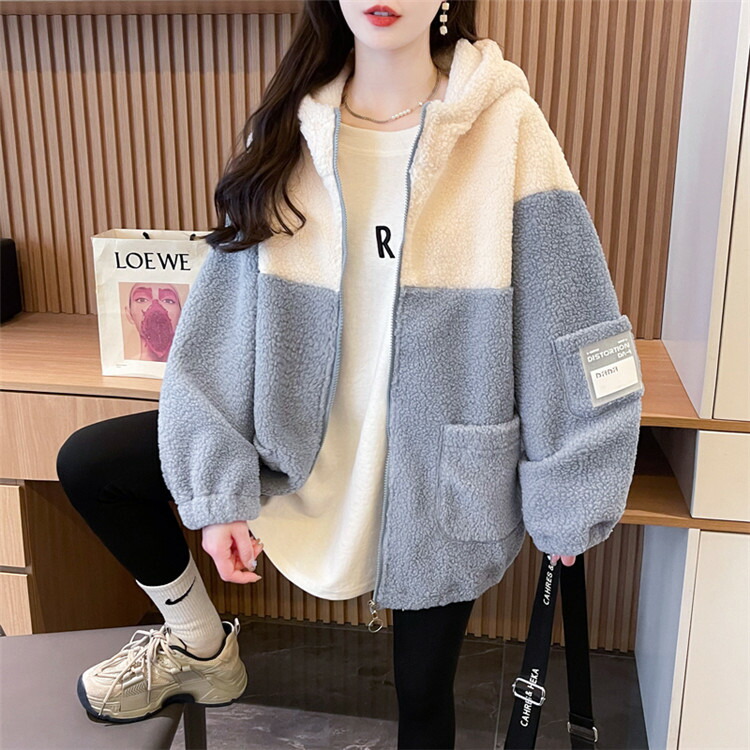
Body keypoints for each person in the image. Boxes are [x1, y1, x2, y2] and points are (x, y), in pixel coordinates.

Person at [56, 1, 644, 747]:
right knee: (93, 463)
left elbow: (573, 318)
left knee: (424, 693)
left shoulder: (507, 126)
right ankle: (199, 646)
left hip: (439, 471)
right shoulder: (286, 129)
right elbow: (220, 325)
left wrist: (574, 484)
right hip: (294, 447)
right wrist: (216, 488)